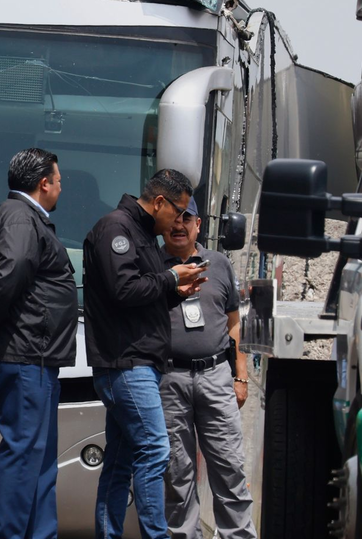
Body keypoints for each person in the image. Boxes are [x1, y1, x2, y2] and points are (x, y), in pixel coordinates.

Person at [0, 147, 78, 539]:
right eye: (59, 180)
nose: (62, 187)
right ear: (44, 183)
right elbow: (10, 275)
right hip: (25, 353)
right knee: (24, 454)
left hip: (36, 355)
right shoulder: (20, 217)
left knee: (39, 459)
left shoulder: (22, 217)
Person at [82, 169, 208, 539]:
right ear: (159, 203)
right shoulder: (116, 229)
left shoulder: (141, 234)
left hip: (136, 362)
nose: (179, 222)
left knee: (120, 463)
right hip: (126, 363)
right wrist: (171, 278)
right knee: (154, 451)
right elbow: (124, 290)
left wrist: (175, 291)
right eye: (178, 212)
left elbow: (141, 296)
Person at [159, 197, 256, 539]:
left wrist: (240, 376)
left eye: (187, 218)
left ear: (198, 225)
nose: (179, 224)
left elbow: (234, 323)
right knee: (176, 473)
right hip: (168, 380)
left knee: (230, 467)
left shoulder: (219, 264)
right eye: (173, 217)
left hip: (216, 376)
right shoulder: (152, 266)